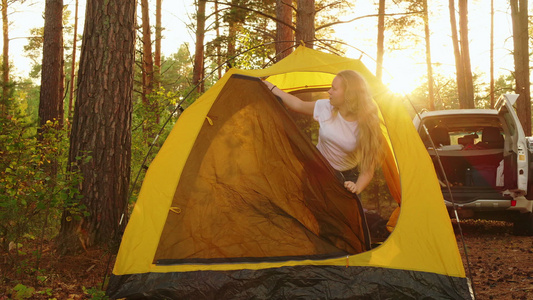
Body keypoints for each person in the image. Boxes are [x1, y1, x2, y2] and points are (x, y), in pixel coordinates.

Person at [263, 70, 384, 195]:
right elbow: (298, 104)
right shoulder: (325, 107)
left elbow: (368, 169)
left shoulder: (367, 124)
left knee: (341, 214)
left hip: (346, 179)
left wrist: (357, 187)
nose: (329, 91)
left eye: (334, 88)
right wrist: (272, 87)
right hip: (317, 169)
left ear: (349, 94)